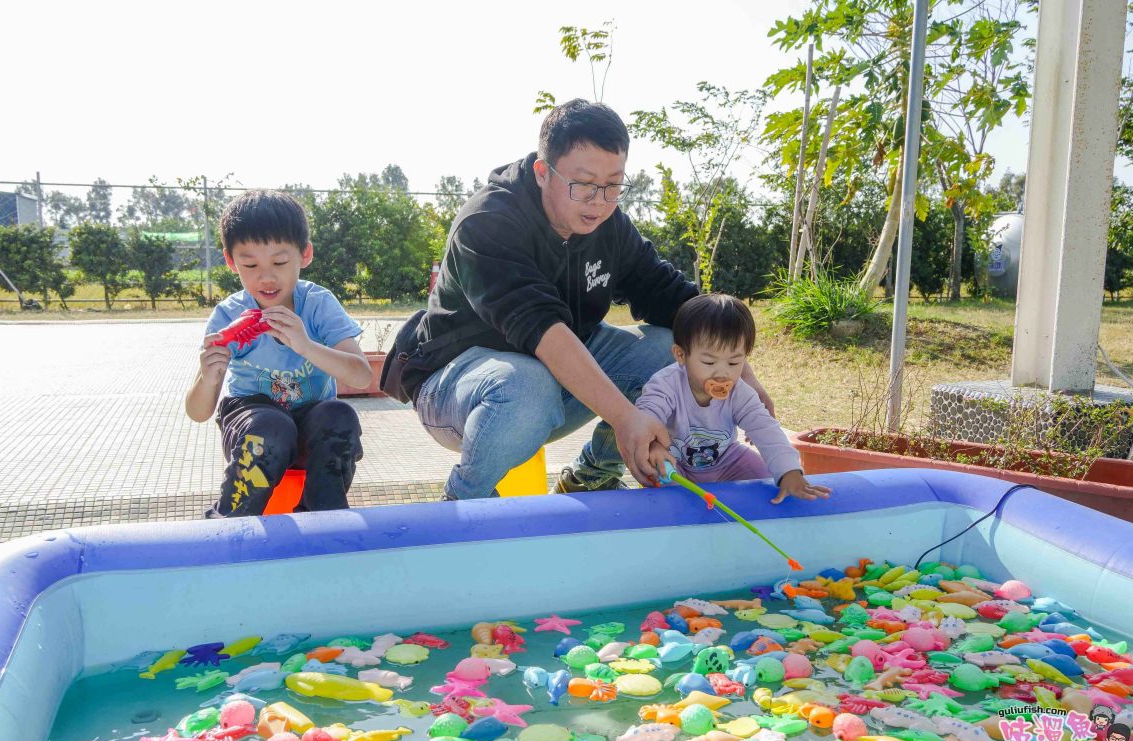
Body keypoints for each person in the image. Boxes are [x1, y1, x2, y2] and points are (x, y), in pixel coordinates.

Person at [385, 99, 774, 499]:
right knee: (524, 385)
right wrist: (627, 420)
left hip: (547, 382)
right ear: (542, 172)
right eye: (584, 184)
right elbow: (543, 330)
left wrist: (744, 379)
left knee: (667, 350)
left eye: (613, 185)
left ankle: (592, 475)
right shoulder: (488, 222)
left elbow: (675, 299)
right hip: (458, 387)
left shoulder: (609, 226)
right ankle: (464, 500)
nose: (600, 201)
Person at [185, 190, 371, 517]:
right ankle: (229, 521)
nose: (266, 277)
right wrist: (208, 376)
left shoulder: (318, 304)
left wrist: (306, 345)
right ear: (230, 261)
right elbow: (199, 412)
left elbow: (361, 375)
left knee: (339, 416)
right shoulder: (229, 315)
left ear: (305, 255)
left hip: (312, 419)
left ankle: (323, 517)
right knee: (272, 426)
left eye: (280, 262)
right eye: (250, 264)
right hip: (254, 422)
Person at [637, 294, 831, 503]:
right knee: (659, 478)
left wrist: (789, 472)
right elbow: (646, 417)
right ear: (681, 355)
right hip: (676, 464)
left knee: (764, 473)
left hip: (726, 460)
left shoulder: (740, 392)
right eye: (709, 363)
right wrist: (653, 447)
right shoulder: (665, 384)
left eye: (733, 363)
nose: (722, 373)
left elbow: (766, 429)